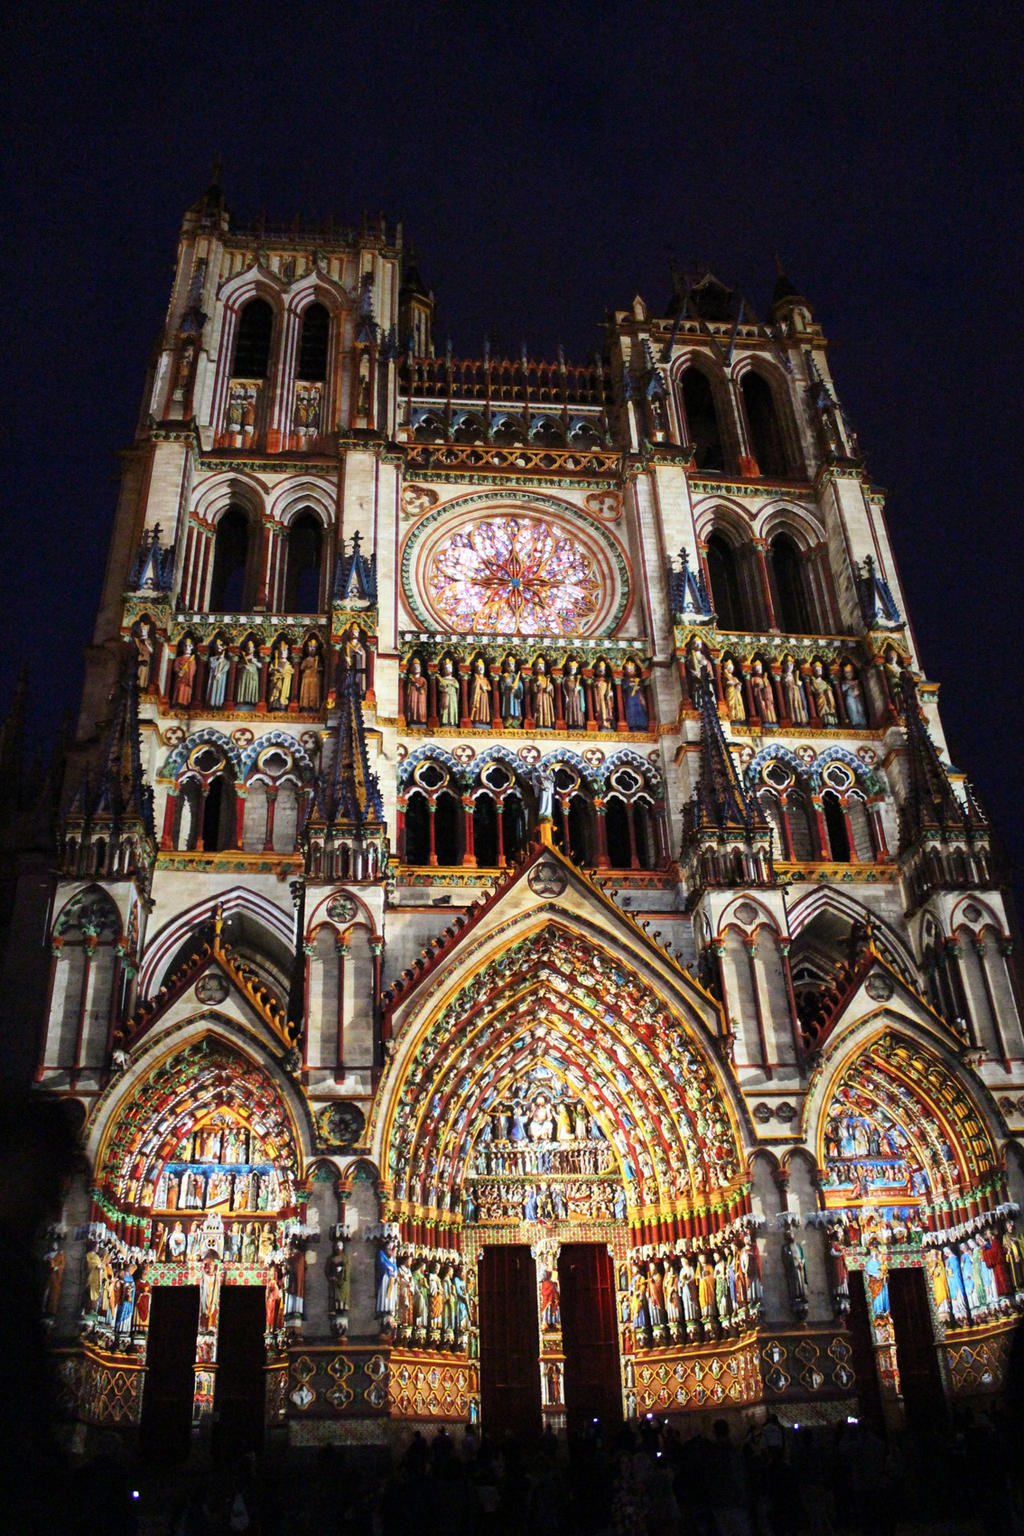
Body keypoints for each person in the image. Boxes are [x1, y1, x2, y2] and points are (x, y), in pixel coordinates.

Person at [780, 657, 808, 723]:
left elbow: (799, 685)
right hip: (789, 693)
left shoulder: (794, 675)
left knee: (798, 706)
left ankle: (801, 720)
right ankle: (793, 720)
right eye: (787, 665)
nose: (789, 666)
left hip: (797, 693)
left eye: (791, 664)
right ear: (784, 666)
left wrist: (798, 683)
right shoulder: (783, 676)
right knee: (791, 706)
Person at [809, 661, 838, 725]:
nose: (819, 671)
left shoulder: (824, 682)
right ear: (814, 671)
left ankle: (831, 721)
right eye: (817, 669)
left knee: (829, 711)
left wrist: (828, 690)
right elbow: (813, 690)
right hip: (821, 699)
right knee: (823, 712)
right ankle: (824, 722)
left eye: (820, 669)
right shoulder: (814, 682)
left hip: (828, 701)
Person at [749, 659, 777, 724]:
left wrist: (766, 686)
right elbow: (754, 689)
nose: (759, 669)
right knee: (762, 706)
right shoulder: (754, 679)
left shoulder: (765, 679)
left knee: (770, 708)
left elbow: (769, 687)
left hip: (767, 696)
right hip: (760, 696)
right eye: (757, 668)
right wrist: (759, 686)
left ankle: (772, 720)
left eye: (760, 667)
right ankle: (765, 720)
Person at [840, 660, 868, 725]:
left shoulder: (856, 682)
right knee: (852, 710)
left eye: (850, 672)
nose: (849, 674)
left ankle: (862, 722)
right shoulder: (844, 683)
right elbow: (843, 691)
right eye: (847, 673)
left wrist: (855, 686)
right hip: (850, 699)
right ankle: (855, 723)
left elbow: (859, 691)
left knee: (860, 709)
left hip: (857, 699)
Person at [623, 661, 648, 730]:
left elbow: (642, 688)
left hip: (638, 698)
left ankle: (641, 725)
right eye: (629, 669)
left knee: (640, 710)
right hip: (630, 699)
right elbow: (623, 688)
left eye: (632, 669)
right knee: (631, 711)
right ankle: (632, 725)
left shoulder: (638, 680)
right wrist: (630, 685)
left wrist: (639, 687)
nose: (630, 671)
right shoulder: (625, 680)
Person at [298, 636, 322, 709]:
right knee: (306, 691)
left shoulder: (317, 660)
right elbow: (302, 667)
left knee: (313, 692)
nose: (312, 649)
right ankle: (305, 705)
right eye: (310, 647)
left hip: (314, 678)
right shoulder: (306, 660)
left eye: (314, 648)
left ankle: (313, 705)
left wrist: (317, 667)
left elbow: (320, 668)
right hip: (307, 677)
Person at [268, 641, 293, 709]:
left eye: (284, 651)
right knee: (274, 694)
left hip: (283, 683)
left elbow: (289, 673)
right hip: (275, 682)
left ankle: (282, 705)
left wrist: (282, 673)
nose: (282, 653)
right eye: (281, 651)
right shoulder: (275, 662)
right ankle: (273, 705)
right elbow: (270, 670)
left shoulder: (288, 664)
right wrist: (274, 669)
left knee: (282, 695)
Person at [172, 637, 196, 707]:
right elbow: (175, 667)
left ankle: (185, 704)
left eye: (189, 646)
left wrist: (188, 674)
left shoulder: (192, 660)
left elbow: (193, 670)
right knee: (179, 689)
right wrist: (179, 671)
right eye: (185, 646)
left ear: (192, 647)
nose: (187, 648)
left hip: (187, 679)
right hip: (180, 678)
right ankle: (177, 703)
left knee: (186, 690)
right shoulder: (179, 658)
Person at [499, 656, 523, 725]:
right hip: (508, 695)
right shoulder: (505, 675)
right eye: (508, 664)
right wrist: (509, 686)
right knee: (508, 707)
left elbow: (520, 684)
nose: (510, 665)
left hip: (515, 695)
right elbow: (504, 685)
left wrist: (518, 686)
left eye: (512, 664)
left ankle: (516, 718)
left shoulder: (515, 676)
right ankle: (508, 717)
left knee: (516, 706)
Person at [206, 636, 229, 708]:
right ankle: (211, 704)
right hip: (213, 676)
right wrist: (219, 660)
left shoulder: (225, 660)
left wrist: (220, 673)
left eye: (220, 646)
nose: (219, 648)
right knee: (212, 689)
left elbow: (226, 667)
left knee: (219, 690)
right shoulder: (212, 658)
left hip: (221, 677)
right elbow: (211, 665)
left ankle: (218, 704)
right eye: (217, 646)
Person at [236, 637, 260, 706]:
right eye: (248, 647)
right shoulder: (244, 658)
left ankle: (251, 700)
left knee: (252, 687)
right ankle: (242, 700)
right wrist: (243, 665)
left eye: (251, 647)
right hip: (244, 675)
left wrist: (255, 662)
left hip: (253, 675)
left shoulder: (255, 658)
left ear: (254, 649)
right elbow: (238, 666)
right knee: (244, 686)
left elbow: (260, 666)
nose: (249, 649)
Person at [562, 659, 586, 728]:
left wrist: (579, 688)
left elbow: (581, 688)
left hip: (577, 696)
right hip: (570, 696)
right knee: (570, 708)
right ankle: (570, 723)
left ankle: (578, 722)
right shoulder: (565, 679)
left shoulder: (577, 679)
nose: (573, 670)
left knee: (577, 708)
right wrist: (566, 696)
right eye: (572, 668)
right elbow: (564, 688)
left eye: (574, 668)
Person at [532, 660, 555, 728]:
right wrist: (536, 685)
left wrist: (550, 687)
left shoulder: (545, 678)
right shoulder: (534, 678)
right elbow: (533, 689)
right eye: (538, 665)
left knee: (546, 710)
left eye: (542, 666)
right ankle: (539, 723)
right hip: (539, 696)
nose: (540, 667)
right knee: (539, 710)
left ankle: (547, 724)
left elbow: (550, 686)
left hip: (546, 698)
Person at [468, 658, 491, 724]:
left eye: (482, 668)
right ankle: (476, 719)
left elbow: (489, 688)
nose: (481, 669)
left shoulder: (485, 679)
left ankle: (483, 720)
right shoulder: (476, 677)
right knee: (478, 708)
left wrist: (485, 687)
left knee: (484, 708)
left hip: (484, 696)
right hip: (478, 695)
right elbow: (473, 686)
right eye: (479, 668)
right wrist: (478, 684)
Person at [593, 660, 615, 728]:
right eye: (600, 670)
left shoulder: (607, 682)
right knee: (600, 709)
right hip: (599, 699)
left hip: (605, 699)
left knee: (606, 709)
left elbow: (609, 690)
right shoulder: (595, 681)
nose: (602, 672)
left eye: (603, 670)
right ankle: (601, 723)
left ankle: (606, 723)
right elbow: (594, 690)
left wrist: (610, 693)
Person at [437, 659, 459, 726]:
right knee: (445, 709)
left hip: (452, 697)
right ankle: (445, 722)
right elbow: (440, 687)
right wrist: (444, 689)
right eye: (447, 668)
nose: (448, 669)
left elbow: (457, 686)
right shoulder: (443, 679)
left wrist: (451, 685)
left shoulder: (454, 680)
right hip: (445, 696)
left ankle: (452, 722)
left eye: (450, 668)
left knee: (452, 709)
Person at [406, 658, 427, 724]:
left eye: (418, 667)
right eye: (415, 667)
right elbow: (408, 689)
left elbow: (425, 689)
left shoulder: (422, 679)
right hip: (413, 693)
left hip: (420, 695)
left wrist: (420, 687)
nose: (416, 668)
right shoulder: (411, 679)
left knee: (420, 707)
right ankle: (413, 719)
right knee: (413, 706)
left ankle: (421, 719)